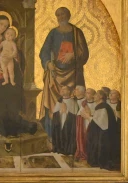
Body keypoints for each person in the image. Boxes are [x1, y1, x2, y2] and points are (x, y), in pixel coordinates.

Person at [39, 7, 89, 136]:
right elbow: (44, 51)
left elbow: (84, 53)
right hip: (55, 74)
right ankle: (52, 137)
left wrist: (73, 54)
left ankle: (72, 138)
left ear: (69, 15)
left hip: (73, 74)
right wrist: (48, 63)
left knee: (72, 106)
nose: (61, 17)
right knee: (53, 106)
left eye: (63, 14)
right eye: (58, 15)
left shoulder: (77, 32)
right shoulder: (53, 33)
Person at [86, 89, 119, 169]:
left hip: (105, 135)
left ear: (101, 96)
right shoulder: (101, 106)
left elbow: (101, 123)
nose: (94, 96)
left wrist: (88, 117)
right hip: (102, 134)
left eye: (96, 94)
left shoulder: (103, 106)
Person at [51, 85, 78, 155]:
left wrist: (66, 111)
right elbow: (55, 113)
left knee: (67, 134)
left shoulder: (73, 102)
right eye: (62, 89)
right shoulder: (59, 101)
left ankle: (67, 150)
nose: (62, 90)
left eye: (64, 89)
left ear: (69, 91)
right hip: (60, 121)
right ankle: (59, 148)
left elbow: (75, 114)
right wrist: (60, 111)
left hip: (68, 123)